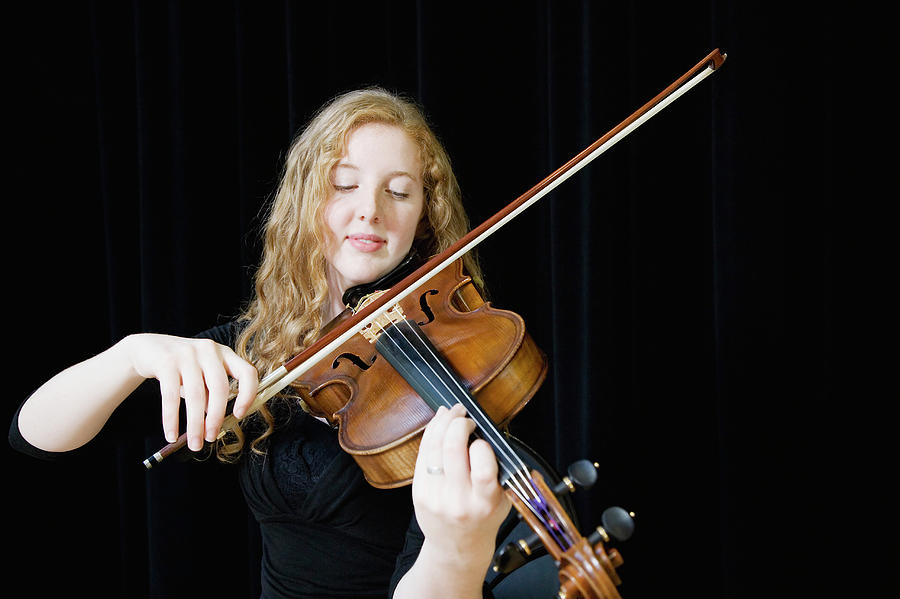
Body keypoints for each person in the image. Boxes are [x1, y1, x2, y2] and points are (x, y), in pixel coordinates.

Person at [9, 88, 511, 598]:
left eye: (399, 192)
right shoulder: (256, 350)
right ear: (308, 200)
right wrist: (131, 354)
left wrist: (458, 552)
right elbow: (37, 435)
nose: (370, 211)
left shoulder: (456, 367)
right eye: (343, 185)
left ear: (425, 216)